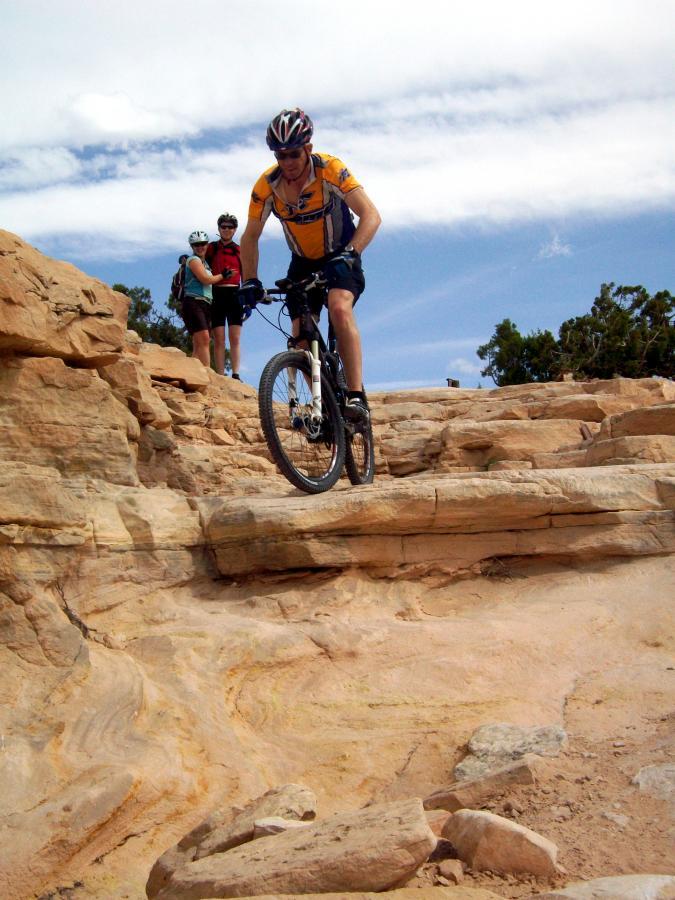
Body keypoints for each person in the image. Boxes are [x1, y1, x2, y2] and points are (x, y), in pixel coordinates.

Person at [239, 108, 381, 421]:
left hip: (342, 253)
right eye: (280, 155)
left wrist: (352, 252)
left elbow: (371, 215)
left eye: (293, 154)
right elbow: (249, 237)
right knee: (300, 339)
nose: (287, 162)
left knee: (339, 307)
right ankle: (327, 403)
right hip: (302, 262)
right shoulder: (266, 187)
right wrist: (249, 280)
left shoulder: (331, 169)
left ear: (308, 149)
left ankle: (356, 396)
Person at [206, 213, 243, 379]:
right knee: (219, 338)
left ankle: (235, 373)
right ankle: (220, 374)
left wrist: (249, 300)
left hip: (235, 294)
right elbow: (201, 262)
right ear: (219, 228)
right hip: (217, 293)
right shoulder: (212, 248)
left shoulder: (239, 250)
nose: (227, 230)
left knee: (234, 337)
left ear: (234, 230)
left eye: (230, 227)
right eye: (223, 227)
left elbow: (247, 273)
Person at [181, 230, 225, 368]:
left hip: (205, 303)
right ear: (192, 247)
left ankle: (192, 373)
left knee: (198, 342)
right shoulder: (193, 260)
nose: (200, 247)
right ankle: (206, 373)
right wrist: (222, 276)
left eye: (203, 244)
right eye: (196, 245)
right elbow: (205, 279)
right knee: (204, 339)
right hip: (194, 301)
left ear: (207, 245)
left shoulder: (205, 264)